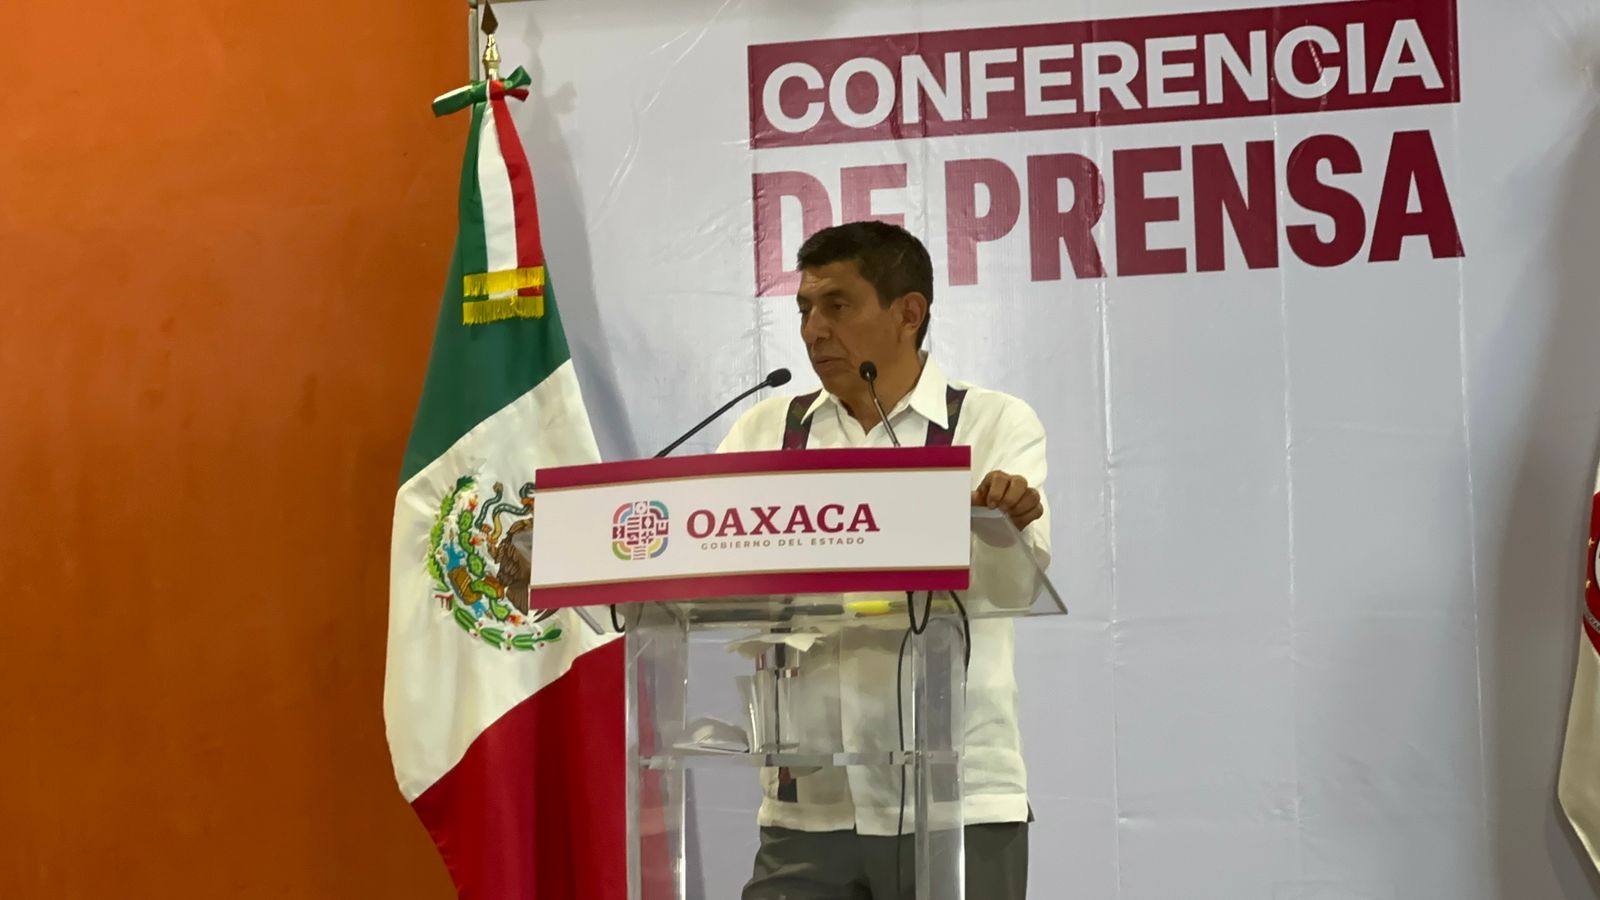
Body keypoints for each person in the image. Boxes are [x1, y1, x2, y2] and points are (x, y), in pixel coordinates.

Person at [717, 221, 1050, 899]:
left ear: (908, 313)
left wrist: (1003, 528)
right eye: (805, 309)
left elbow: (1016, 590)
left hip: (958, 801)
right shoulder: (766, 433)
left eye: (837, 305)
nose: (813, 330)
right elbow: (705, 576)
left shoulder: (992, 424)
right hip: (809, 806)